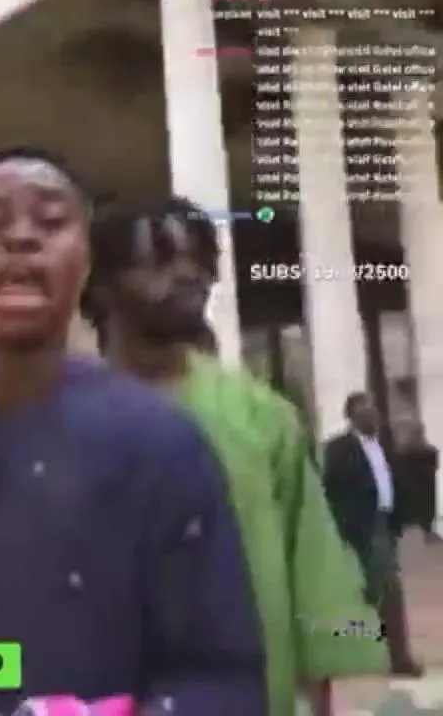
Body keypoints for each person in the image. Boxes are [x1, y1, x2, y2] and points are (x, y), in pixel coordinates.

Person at [0, 149, 268, 714]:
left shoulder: (161, 444)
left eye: (52, 221)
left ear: (84, 261)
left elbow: (223, 680)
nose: (21, 237)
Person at [84, 199, 387, 716]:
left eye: (201, 260)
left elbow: (314, 571)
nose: (189, 274)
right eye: (160, 258)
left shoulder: (264, 416)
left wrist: (324, 693)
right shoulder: (59, 416)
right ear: (100, 286)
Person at [324, 392, 424, 677]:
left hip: (385, 524)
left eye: (373, 408)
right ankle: (396, 658)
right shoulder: (340, 449)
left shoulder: (383, 445)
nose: (373, 414)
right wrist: (345, 527)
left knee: (381, 590)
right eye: (365, 410)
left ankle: (390, 655)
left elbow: (391, 481)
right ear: (352, 416)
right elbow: (332, 490)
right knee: (385, 589)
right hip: (362, 526)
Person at [396, 421, 440, 544]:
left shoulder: (404, 452)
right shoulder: (426, 451)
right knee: (426, 510)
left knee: (427, 510)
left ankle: (428, 533)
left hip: (420, 486)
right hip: (421, 486)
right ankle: (429, 533)